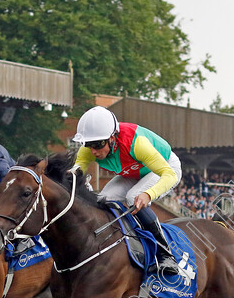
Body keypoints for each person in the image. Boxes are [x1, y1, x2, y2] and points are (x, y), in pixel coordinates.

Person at [72, 106, 182, 274]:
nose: (93, 150)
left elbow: (169, 175)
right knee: (103, 199)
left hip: (166, 167)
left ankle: (166, 255)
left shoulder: (137, 143)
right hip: (133, 171)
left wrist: (148, 194)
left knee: (134, 197)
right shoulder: (90, 149)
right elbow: (75, 173)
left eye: (97, 144)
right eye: (88, 145)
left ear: (112, 138)